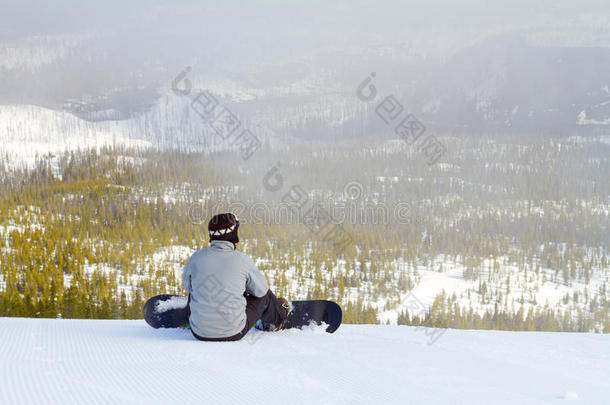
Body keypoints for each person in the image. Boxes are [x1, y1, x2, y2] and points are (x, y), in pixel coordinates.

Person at [182, 212, 290, 341]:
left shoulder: (196, 258)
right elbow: (261, 291)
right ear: (232, 234)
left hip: (198, 332)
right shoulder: (242, 260)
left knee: (196, 286)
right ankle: (278, 319)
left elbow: (188, 287)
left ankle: (200, 319)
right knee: (265, 296)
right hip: (233, 332)